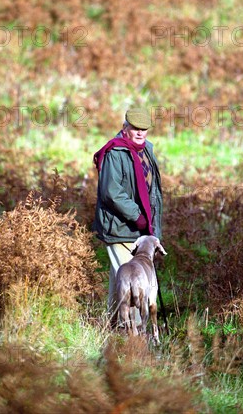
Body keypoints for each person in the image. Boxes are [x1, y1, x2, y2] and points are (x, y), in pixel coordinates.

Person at [93, 107, 163, 328]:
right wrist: (137, 216)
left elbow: (153, 193)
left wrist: (152, 231)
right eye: (135, 128)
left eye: (144, 129)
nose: (140, 133)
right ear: (125, 128)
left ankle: (112, 330)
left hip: (141, 230)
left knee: (119, 282)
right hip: (119, 228)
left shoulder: (147, 150)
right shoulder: (115, 152)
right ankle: (135, 338)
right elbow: (111, 192)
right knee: (133, 283)